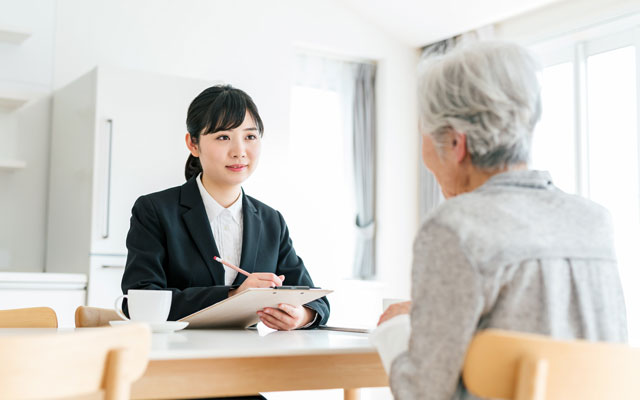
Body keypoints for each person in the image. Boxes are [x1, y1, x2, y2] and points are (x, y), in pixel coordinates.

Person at [370, 41, 627, 400]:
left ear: (457, 143)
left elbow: (422, 394)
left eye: (423, 134)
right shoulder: (595, 222)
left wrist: (398, 327)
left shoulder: (454, 226)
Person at [121, 85, 329, 331]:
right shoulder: (154, 210)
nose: (239, 151)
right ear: (193, 144)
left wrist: (301, 316)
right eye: (223, 137)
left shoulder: (271, 220)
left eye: (250, 137)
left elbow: (316, 300)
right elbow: (140, 298)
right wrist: (234, 295)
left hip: (247, 359)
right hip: (175, 355)